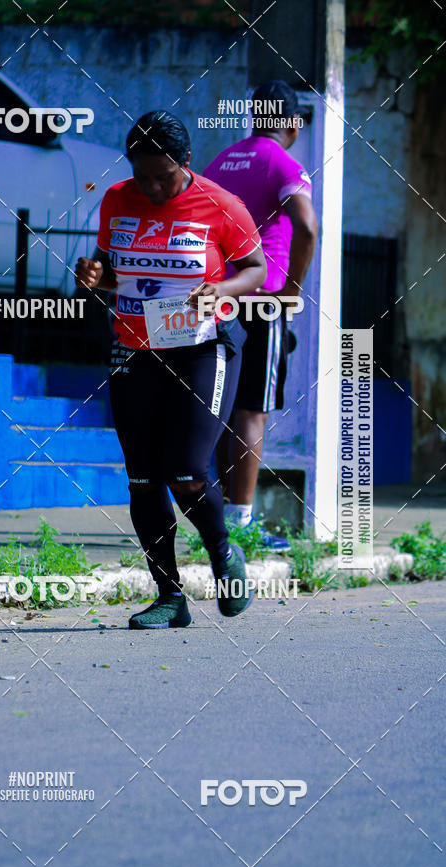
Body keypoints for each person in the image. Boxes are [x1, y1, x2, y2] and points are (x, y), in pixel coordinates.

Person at [75, 110, 267, 629]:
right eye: (143, 175)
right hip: (136, 349)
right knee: (142, 480)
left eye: (165, 175)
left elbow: (257, 269)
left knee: (185, 472)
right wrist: (93, 275)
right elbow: (109, 268)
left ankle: (224, 554)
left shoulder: (220, 204)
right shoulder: (117, 199)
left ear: (186, 162)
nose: (154, 187)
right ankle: (169, 596)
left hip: (203, 348)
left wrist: (220, 290)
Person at [204, 80, 319, 550]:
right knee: (253, 409)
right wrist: (292, 288)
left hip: (217, 296)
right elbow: (309, 227)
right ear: (291, 122)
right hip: (262, 298)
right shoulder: (284, 164)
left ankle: (213, 516)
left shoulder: (219, 162)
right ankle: (243, 522)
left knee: (219, 405)